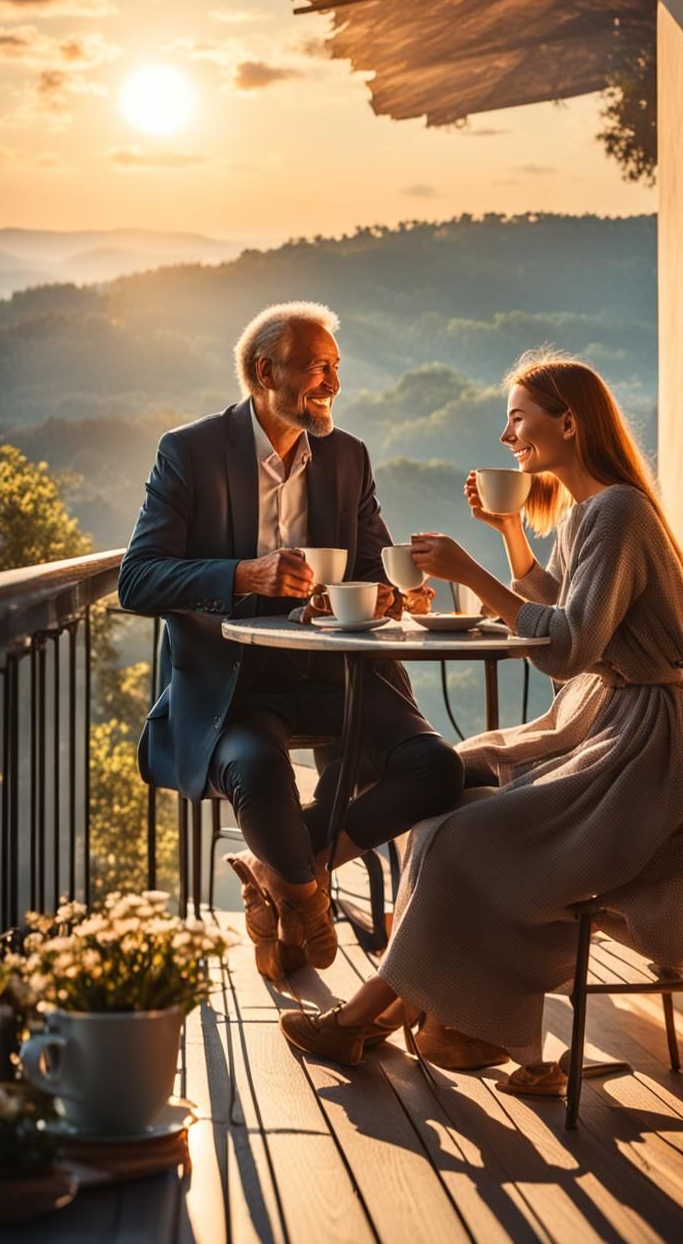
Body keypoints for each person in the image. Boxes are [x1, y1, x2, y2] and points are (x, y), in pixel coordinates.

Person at [280, 350, 683, 1092]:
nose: (506, 433)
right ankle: (438, 1017)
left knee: (461, 837)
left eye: (518, 415)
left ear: (569, 422)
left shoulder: (617, 511)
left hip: (643, 751)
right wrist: (512, 532)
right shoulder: (590, 511)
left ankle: (367, 1018)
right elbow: (567, 606)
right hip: (613, 720)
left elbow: (571, 647)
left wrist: (471, 576)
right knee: (452, 783)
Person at [118, 301, 464, 981]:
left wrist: (391, 592)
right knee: (259, 771)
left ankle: (278, 872)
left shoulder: (348, 457)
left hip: (340, 679)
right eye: (315, 367)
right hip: (236, 689)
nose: (331, 383)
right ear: (262, 371)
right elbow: (138, 579)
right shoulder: (189, 452)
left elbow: (369, 566)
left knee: (438, 770)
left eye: (335, 367)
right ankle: (304, 897)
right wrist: (244, 573)